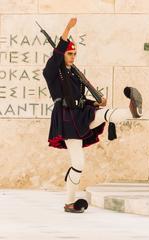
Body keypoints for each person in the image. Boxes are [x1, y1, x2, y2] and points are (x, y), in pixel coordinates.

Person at [43, 18, 143, 213]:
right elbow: (56, 57)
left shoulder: (73, 74)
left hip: (81, 113)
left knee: (104, 113)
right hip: (67, 119)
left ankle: (132, 110)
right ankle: (70, 202)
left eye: (75, 54)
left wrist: (94, 102)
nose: (73, 57)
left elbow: (78, 98)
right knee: (78, 164)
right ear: (62, 54)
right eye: (70, 54)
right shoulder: (53, 73)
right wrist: (67, 29)